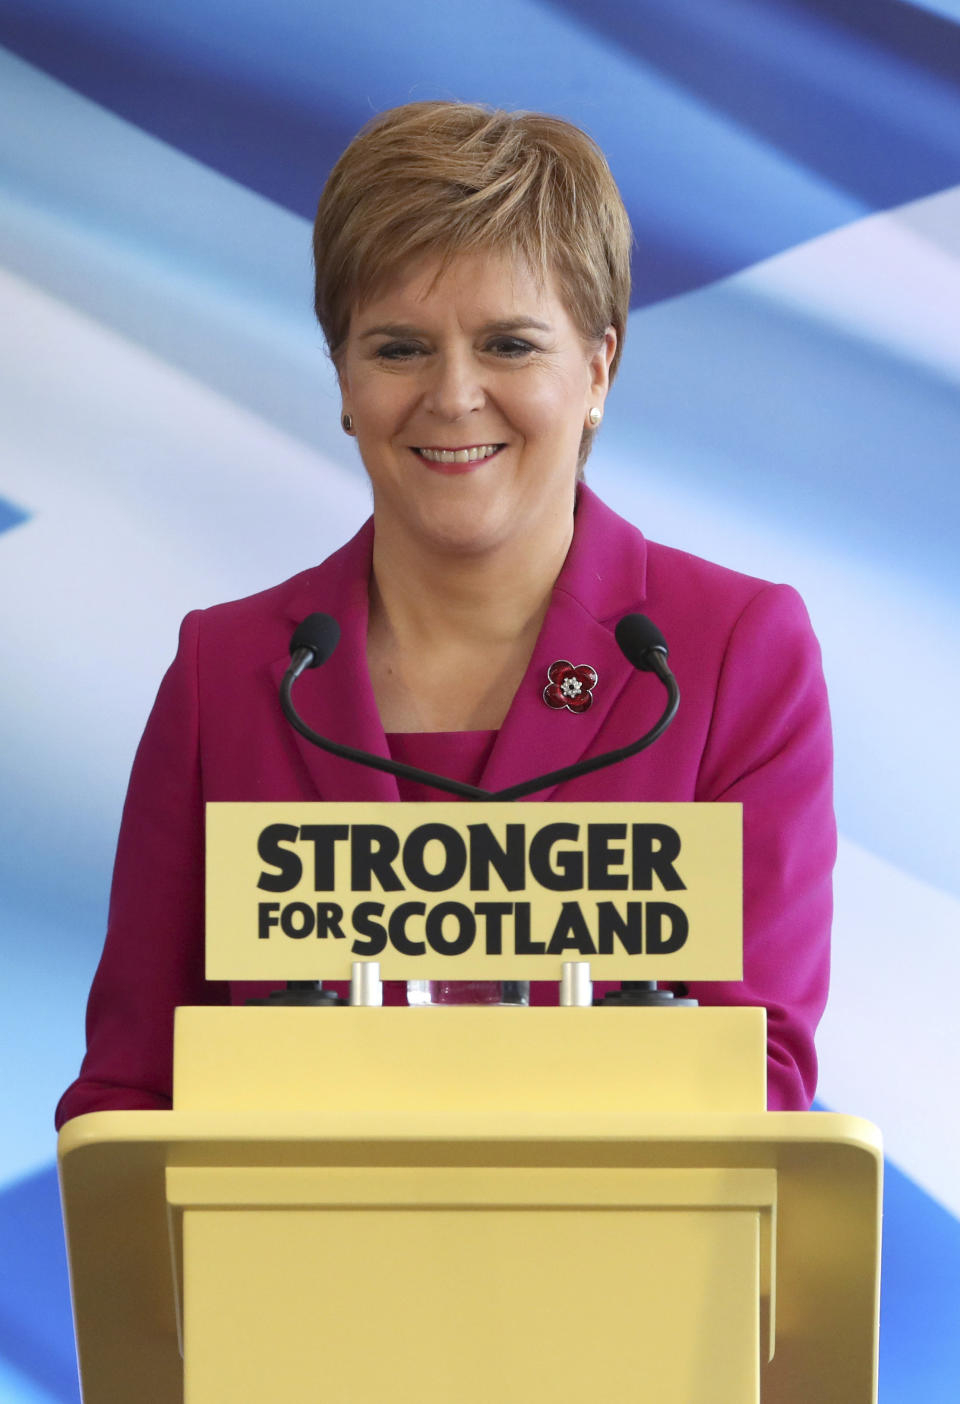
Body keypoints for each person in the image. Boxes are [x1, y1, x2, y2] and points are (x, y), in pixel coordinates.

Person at [56, 102, 833, 1126]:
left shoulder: (731, 656)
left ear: (597, 368)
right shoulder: (229, 673)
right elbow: (132, 1096)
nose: (454, 395)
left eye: (510, 345)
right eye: (399, 348)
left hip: (619, 1280)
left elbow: (757, 1080)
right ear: (341, 374)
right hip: (300, 1282)